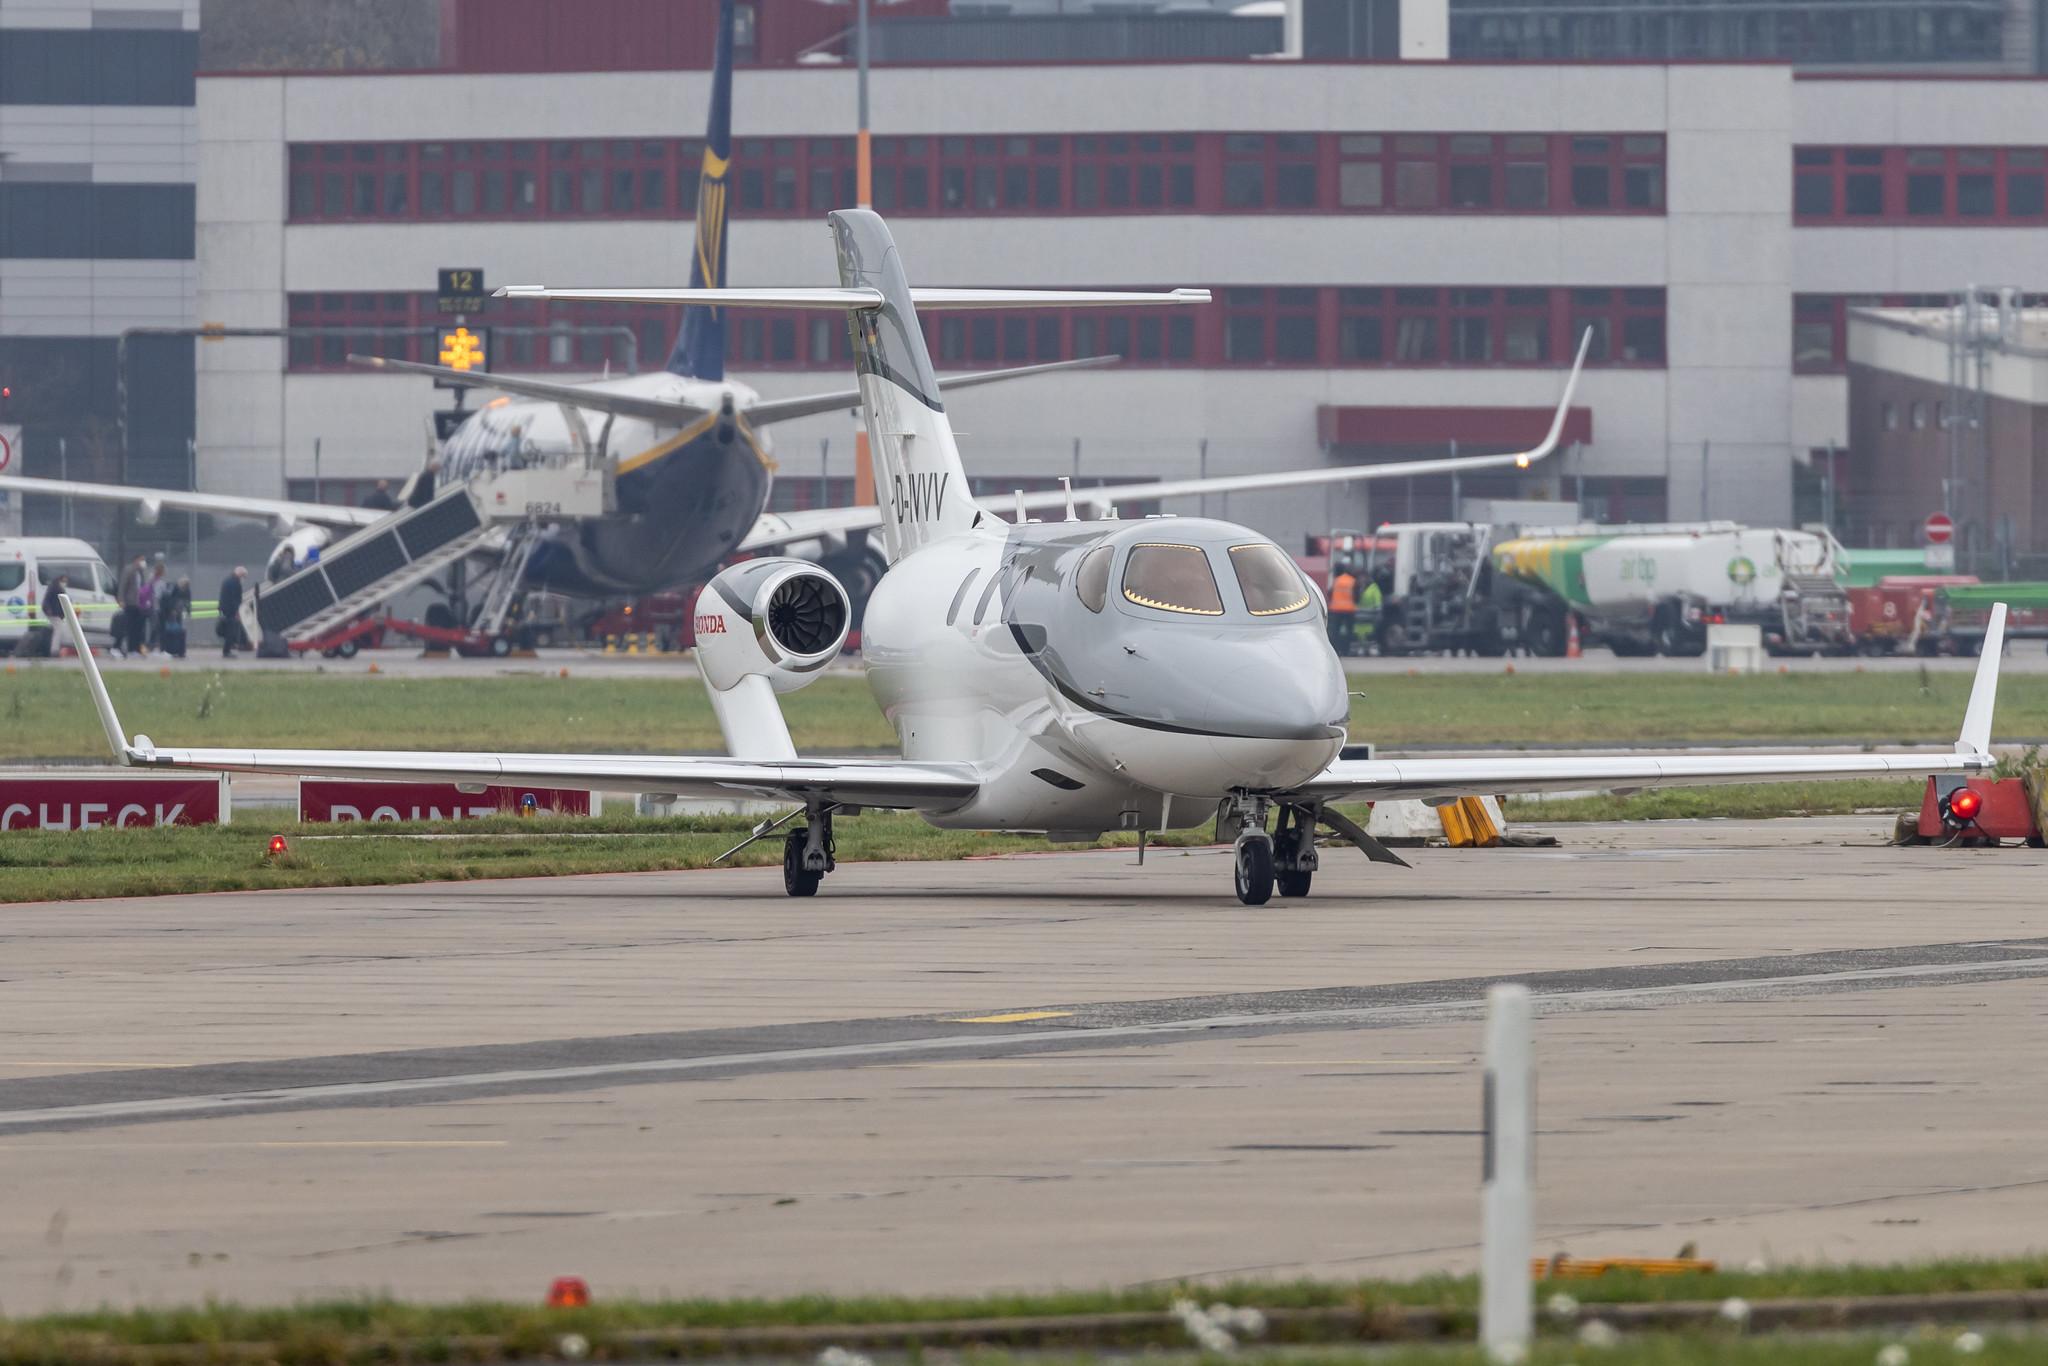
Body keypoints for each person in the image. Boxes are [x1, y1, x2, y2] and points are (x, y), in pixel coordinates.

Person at [115, 554, 147, 657]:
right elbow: (123, 585)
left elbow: (143, 587)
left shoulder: (141, 572)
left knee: (139, 628)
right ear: (136, 560)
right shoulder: (129, 570)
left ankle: (137, 648)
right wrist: (121, 599)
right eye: (141, 560)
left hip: (140, 604)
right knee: (130, 627)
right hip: (130, 602)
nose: (143, 562)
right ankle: (130, 649)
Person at [31, 573, 67, 657]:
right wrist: (50, 611)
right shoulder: (56, 589)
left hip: (54, 613)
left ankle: (54, 649)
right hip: (54, 614)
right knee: (58, 631)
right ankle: (54, 650)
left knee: (57, 630)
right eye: (64, 581)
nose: (65, 583)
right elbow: (50, 601)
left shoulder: (54, 587)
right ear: (60, 580)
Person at [217, 565, 249, 658]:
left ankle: (227, 650)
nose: (243, 579)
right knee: (231, 631)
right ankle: (226, 651)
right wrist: (237, 612)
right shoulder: (235, 583)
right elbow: (235, 599)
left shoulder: (227, 580)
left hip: (225, 609)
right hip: (231, 610)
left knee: (228, 631)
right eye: (243, 576)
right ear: (240, 574)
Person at [157, 575, 191, 659]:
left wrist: (188, 611)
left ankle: (177, 650)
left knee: (177, 631)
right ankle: (164, 650)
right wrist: (171, 610)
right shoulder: (173, 587)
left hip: (176, 612)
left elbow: (187, 601)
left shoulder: (186, 590)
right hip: (165, 612)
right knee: (165, 631)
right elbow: (167, 599)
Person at [1327, 566, 1358, 657]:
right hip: (1349, 610)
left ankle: (1335, 650)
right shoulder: (1352, 581)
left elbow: (1330, 593)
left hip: (1336, 609)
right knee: (1349, 632)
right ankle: (1346, 650)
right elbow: (1356, 596)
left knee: (1335, 631)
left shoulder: (1336, 581)